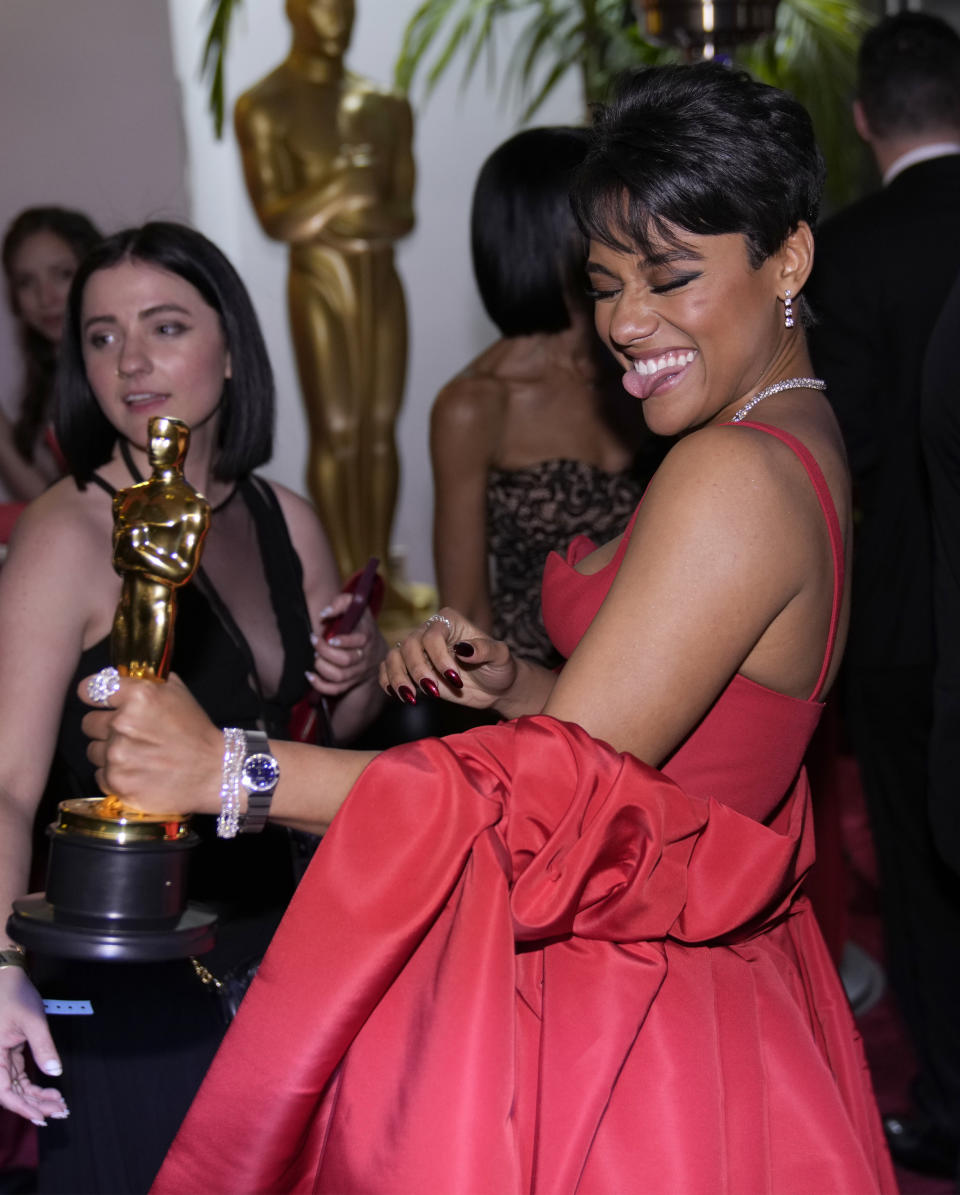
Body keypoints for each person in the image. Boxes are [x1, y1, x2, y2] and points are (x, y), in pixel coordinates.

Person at [84, 66, 894, 1193]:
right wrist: (523, 682)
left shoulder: (734, 471)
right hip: (697, 988)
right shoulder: (793, 432)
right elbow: (667, 743)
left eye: (669, 278)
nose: (625, 323)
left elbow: (556, 800)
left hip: (628, 1018)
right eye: (606, 285)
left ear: (789, 259)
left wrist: (231, 768)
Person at [0, 221, 385, 1194]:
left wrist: (357, 670)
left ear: (228, 344)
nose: (129, 359)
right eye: (100, 335)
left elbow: (320, 736)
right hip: (137, 979)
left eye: (163, 326)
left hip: (302, 958)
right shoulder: (68, 534)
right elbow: (5, 783)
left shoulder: (280, 515)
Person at [804, 11, 960, 1179]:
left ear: (864, 121)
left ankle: (950, 1095)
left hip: (907, 619)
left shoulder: (844, 249)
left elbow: (842, 451)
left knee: (917, 863)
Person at [431, 127, 651, 669]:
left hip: (667, 666)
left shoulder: (657, 359)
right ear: (545, 230)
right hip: (540, 697)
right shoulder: (476, 405)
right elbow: (465, 615)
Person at [234, 0, 415, 603]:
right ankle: (345, 577)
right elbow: (278, 220)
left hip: (378, 275)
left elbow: (400, 213)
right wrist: (343, 182)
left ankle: (381, 572)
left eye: (347, 8)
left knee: (381, 430)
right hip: (318, 277)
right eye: (324, 8)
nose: (338, 21)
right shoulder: (264, 105)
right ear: (295, 11)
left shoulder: (385, 104)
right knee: (337, 428)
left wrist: (347, 201)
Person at [0, 207, 101, 501]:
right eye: (26, 282)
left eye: (63, 275)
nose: (46, 297)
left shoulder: (120, 370)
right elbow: (48, 498)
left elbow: (75, 509)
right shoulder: (52, 376)